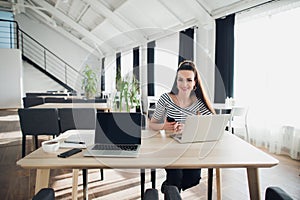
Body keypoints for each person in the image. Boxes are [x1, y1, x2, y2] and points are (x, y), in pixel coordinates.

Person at [149, 60, 215, 193]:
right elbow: (152, 124)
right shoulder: (166, 99)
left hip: (191, 148)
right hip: (169, 148)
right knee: (176, 176)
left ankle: (167, 188)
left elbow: (212, 123)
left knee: (193, 179)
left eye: (189, 80)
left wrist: (190, 128)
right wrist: (164, 126)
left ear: (195, 82)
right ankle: (172, 189)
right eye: (181, 80)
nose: (184, 85)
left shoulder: (199, 102)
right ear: (176, 81)